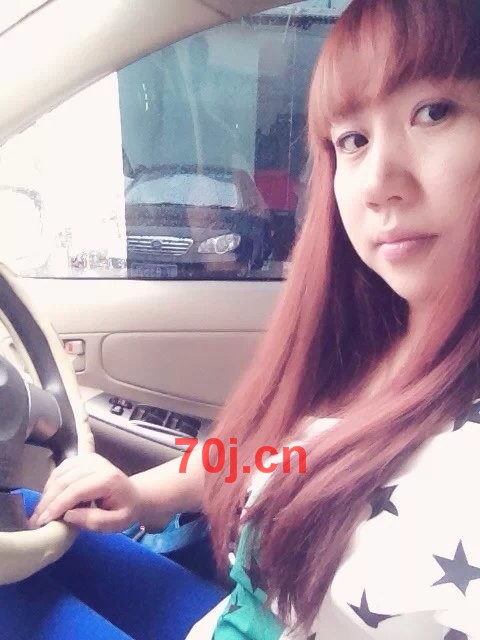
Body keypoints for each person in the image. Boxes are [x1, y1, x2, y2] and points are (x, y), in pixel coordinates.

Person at [9, 0, 480, 637]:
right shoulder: (378, 339)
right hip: (238, 614)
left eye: (434, 112)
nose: (378, 182)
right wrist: (142, 495)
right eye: (353, 140)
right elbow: (276, 455)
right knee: (26, 514)